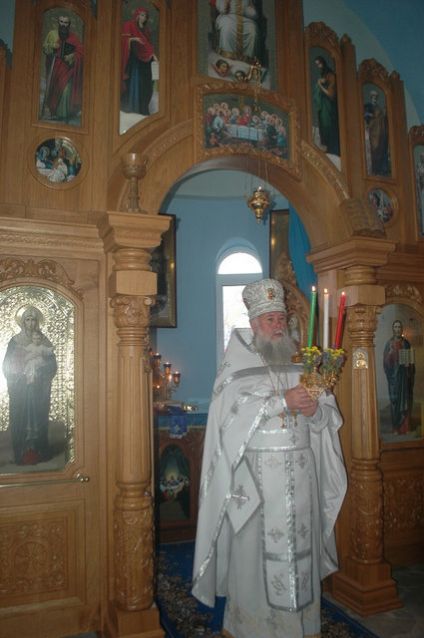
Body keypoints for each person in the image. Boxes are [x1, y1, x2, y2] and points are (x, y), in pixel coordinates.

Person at [192, 278, 347, 638]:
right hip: (257, 484)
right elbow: (228, 420)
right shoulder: (236, 367)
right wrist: (282, 401)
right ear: (254, 324)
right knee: (255, 558)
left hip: (302, 480)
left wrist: (314, 412)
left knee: (301, 551)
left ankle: (302, 627)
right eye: (269, 320)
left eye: (281, 318)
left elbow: (327, 417)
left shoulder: (303, 363)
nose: (278, 326)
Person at [2, 306, 57, 465]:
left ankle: (40, 451)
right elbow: (7, 365)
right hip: (20, 388)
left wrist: (40, 372)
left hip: (38, 388)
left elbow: (52, 365)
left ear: (37, 322)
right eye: (27, 319)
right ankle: (20, 453)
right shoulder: (15, 341)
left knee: (38, 417)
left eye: (33, 319)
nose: (31, 323)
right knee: (20, 417)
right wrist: (19, 375)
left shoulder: (44, 341)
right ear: (22, 322)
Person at [42, 14, 84, 123]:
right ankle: (53, 113)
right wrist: (52, 46)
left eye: (66, 23)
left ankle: (63, 116)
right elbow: (45, 47)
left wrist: (72, 56)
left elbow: (81, 51)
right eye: (61, 22)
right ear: (58, 22)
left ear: (69, 25)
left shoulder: (74, 37)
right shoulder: (52, 34)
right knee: (53, 90)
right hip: (54, 68)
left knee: (65, 90)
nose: (63, 25)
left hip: (68, 69)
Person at [121, 7, 158, 116]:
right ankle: (133, 107)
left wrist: (153, 55)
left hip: (146, 61)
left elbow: (148, 45)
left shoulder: (146, 30)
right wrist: (134, 39)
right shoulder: (129, 25)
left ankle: (143, 108)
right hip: (135, 60)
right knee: (136, 83)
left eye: (145, 16)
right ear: (137, 15)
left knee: (146, 84)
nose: (143, 18)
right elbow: (122, 40)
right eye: (142, 15)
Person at [383, 320, 415, 435]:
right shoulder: (389, 344)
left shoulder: (406, 343)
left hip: (404, 378)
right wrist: (390, 354)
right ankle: (396, 427)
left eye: (399, 327)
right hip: (394, 379)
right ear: (393, 329)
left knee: (406, 400)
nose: (397, 329)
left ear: (401, 329)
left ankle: (405, 428)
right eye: (395, 327)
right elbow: (386, 364)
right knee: (395, 402)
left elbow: (411, 361)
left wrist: (409, 365)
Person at [313, 56, 340, 156]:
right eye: (317, 65)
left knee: (328, 126)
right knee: (323, 126)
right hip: (323, 106)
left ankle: (331, 147)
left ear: (323, 63)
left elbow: (330, 94)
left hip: (329, 107)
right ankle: (325, 146)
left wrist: (320, 85)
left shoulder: (331, 75)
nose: (319, 67)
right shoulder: (323, 76)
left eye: (319, 64)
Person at [364, 89, 389, 176]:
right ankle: (373, 169)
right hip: (372, 130)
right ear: (371, 97)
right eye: (373, 97)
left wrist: (383, 114)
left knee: (380, 148)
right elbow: (366, 116)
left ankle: (378, 169)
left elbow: (382, 118)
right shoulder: (368, 106)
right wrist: (371, 115)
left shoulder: (379, 108)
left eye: (376, 97)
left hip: (379, 131)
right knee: (373, 148)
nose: (374, 98)